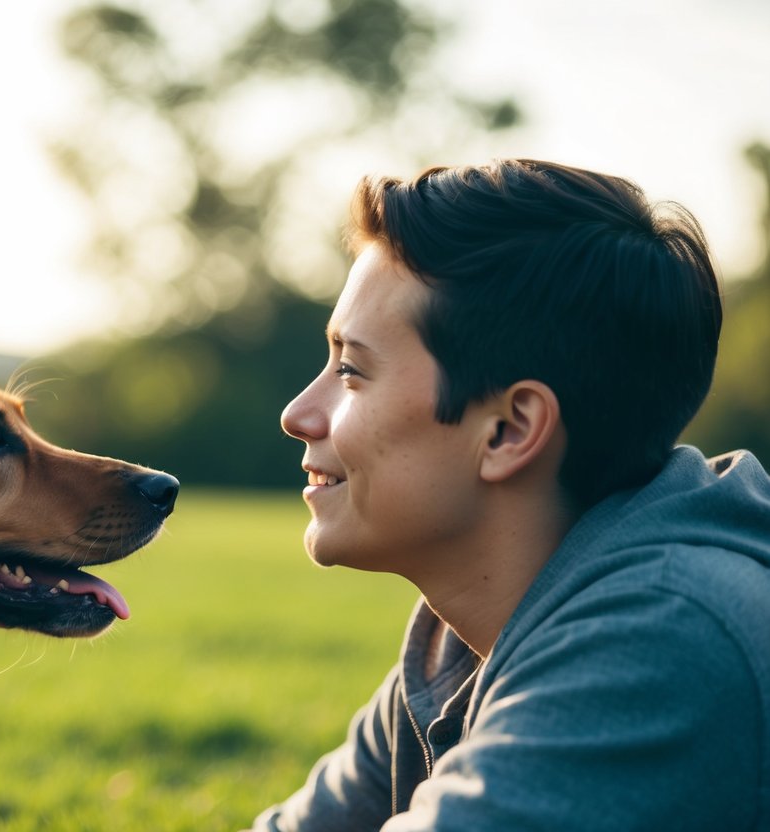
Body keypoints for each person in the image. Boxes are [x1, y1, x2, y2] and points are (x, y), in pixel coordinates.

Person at [247, 159, 770, 831]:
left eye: (350, 370)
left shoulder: (661, 638)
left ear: (508, 430)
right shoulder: (459, 640)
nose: (297, 414)